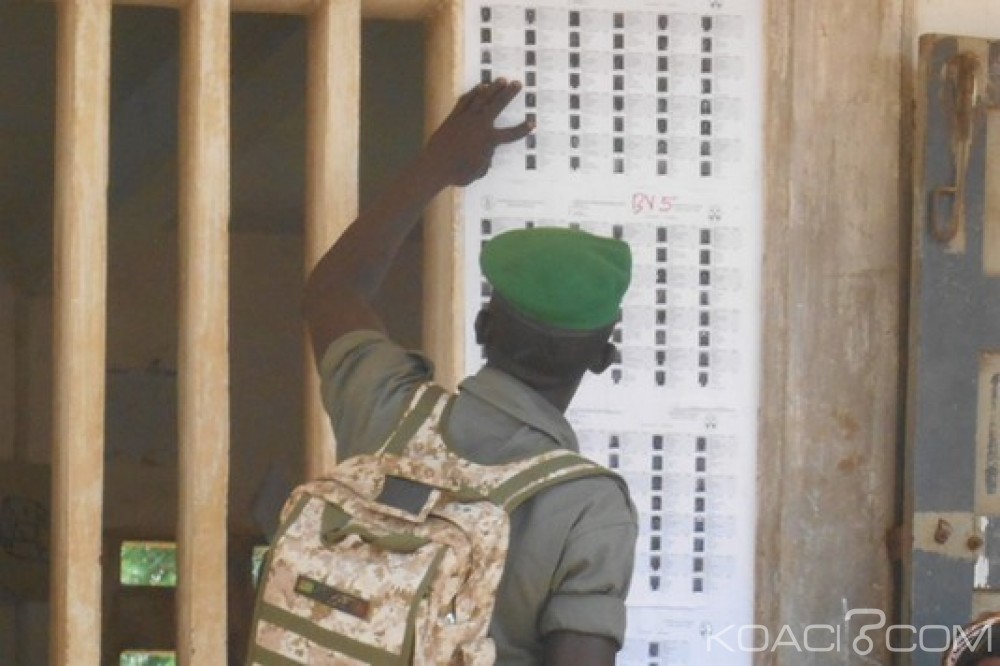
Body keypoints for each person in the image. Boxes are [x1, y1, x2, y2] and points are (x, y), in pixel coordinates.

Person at [303, 78, 638, 666]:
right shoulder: (587, 505)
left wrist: (437, 166)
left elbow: (333, 289)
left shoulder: (387, 409)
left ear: (483, 327)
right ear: (600, 356)